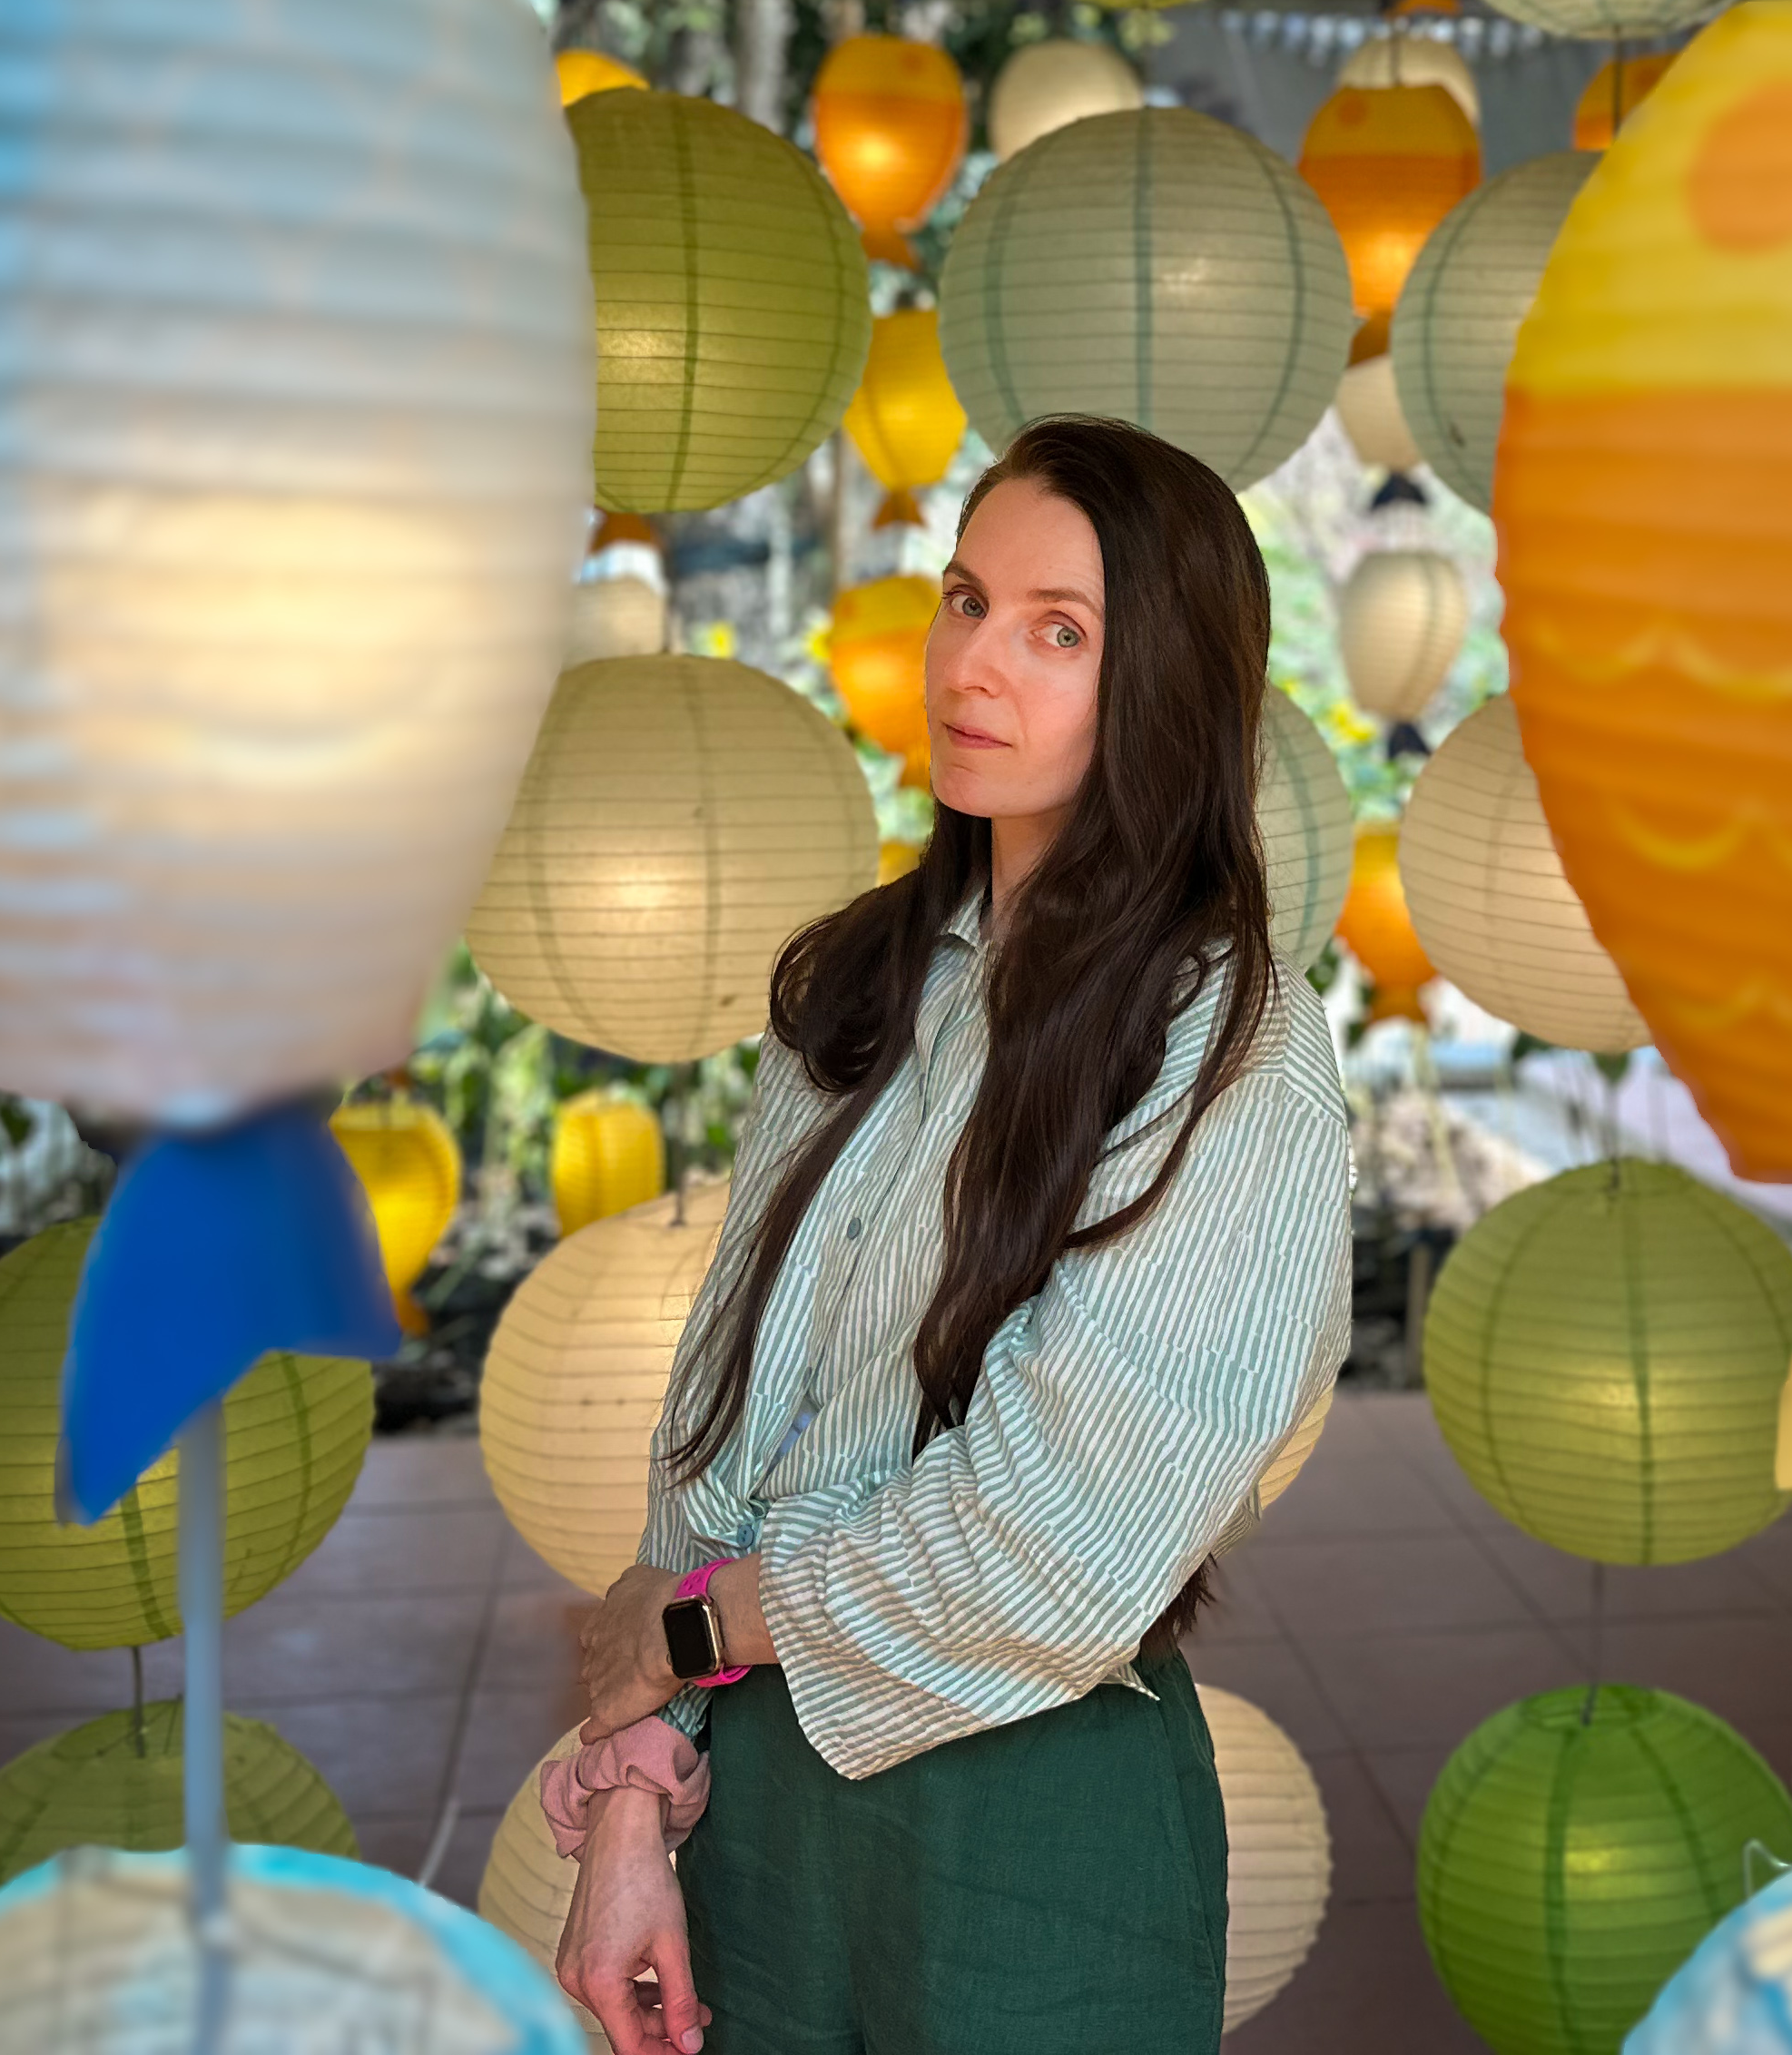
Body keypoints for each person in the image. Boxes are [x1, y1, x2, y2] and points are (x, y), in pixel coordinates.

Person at [546, 417, 1352, 2055]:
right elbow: (730, 1407)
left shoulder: (1228, 1052)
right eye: (967, 599)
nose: (972, 662)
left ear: (1165, 687)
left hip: (1030, 1808)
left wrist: (692, 1624)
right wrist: (635, 1787)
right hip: (746, 1792)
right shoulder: (863, 977)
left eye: (1059, 630)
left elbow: (1053, 1542)